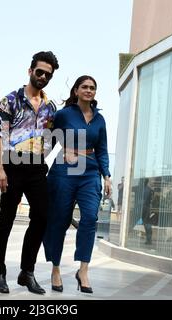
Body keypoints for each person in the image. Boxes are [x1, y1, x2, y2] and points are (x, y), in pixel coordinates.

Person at [0, 51, 59, 295]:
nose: (42, 77)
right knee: (6, 220)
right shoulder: (11, 100)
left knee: (42, 216)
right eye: (39, 72)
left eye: (47, 75)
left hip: (37, 166)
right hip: (11, 165)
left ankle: (26, 272)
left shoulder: (50, 107)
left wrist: (41, 155)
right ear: (30, 71)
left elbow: (50, 137)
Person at [43, 75, 112, 294]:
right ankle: (55, 268)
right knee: (59, 220)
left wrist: (107, 176)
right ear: (76, 91)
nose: (89, 90)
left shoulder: (99, 120)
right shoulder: (63, 115)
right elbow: (49, 140)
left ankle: (83, 270)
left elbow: (102, 149)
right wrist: (40, 163)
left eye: (92, 87)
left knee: (90, 218)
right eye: (84, 87)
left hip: (90, 170)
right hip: (65, 168)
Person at [141, 178, 154, 245]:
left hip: (145, 209)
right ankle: (149, 239)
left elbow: (145, 201)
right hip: (146, 208)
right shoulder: (149, 190)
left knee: (146, 224)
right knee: (147, 224)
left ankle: (149, 240)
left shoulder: (145, 190)